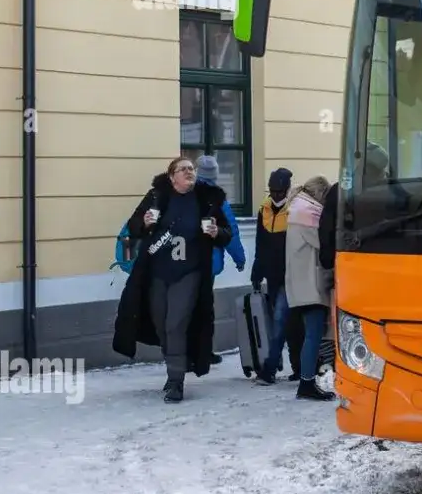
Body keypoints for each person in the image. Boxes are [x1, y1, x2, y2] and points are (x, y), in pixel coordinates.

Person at [111, 156, 232, 402]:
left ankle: (176, 381)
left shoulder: (206, 198)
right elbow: (133, 227)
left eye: (191, 169)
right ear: (171, 176)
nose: (189, 172)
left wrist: (216, 231)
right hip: (156, 272)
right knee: (161, 324)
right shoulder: (157, 196)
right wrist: (144, 223)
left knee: (176, 323)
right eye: (183, 169)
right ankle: (175, 367)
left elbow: (227, 233)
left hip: (190, 272)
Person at [283, 176, 337, 401]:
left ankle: (308, 380)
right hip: (310, 284)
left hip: (302, 283)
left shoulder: (298, 210)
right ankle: (306, 383)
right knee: (313, 334)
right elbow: (324, 242)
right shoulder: (308, 214)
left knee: (312, 333)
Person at [251, 168, 302, 383]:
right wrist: (257, 272)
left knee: (281, 320)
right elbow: (260, 244)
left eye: (281, 191)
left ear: (288, 189)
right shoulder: (265, 210)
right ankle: (298, 368)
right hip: (272, 275)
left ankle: (269, 369)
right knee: (285, 322)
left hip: (290, 275)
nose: (277, 195)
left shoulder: (296, 210)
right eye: (273, 191)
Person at [194, 155, 245, 365]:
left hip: (183, 263)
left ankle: (188, 354)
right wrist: (239, 258)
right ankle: (202, 353)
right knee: (204, 309)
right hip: (206, 264)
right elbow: (230, 230)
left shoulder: (184, 194)